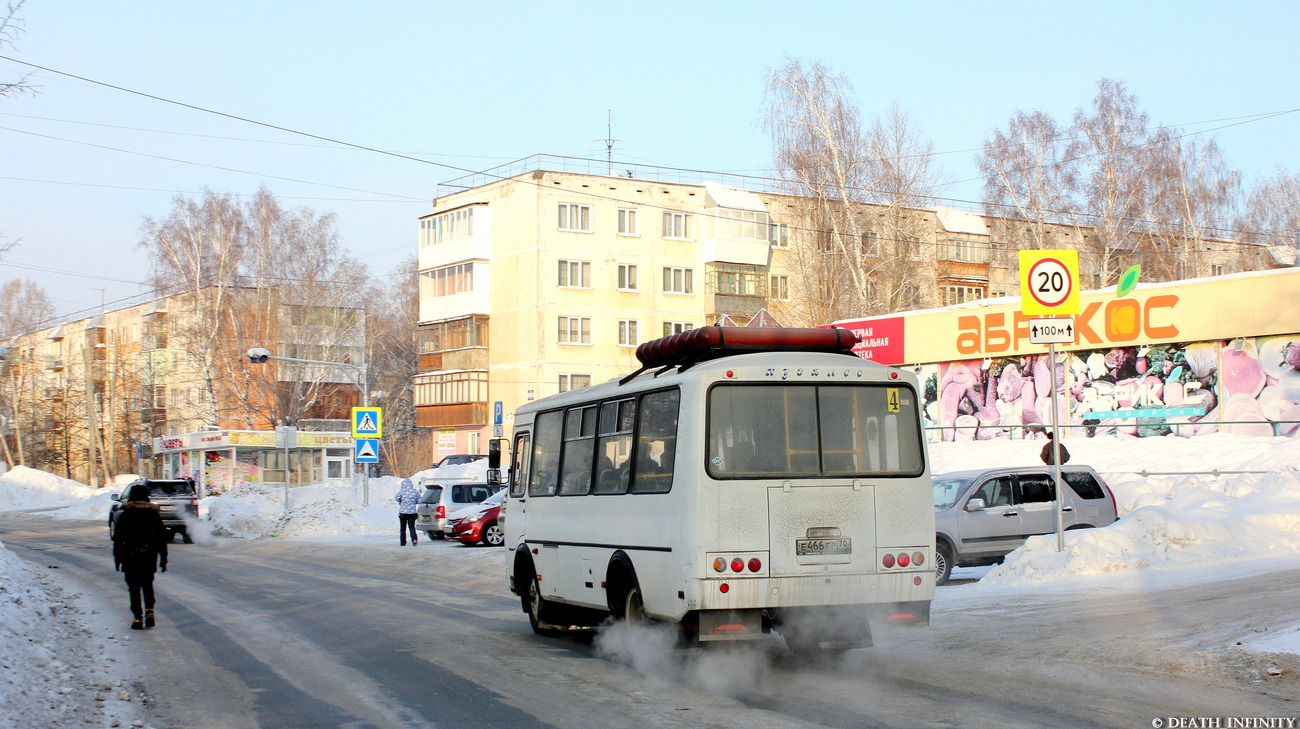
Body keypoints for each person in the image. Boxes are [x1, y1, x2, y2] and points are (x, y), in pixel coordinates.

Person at [112, 483, 169, 631]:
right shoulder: (153, 515)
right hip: (149, 554)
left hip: (130, 555)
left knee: (134, 587)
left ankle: (137, 618)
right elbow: (162, 537)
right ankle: (149, 610)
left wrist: (117, 558)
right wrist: (163, 558)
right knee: (147, 584)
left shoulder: (125, 515)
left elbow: (118, 539)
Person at [396, 478, 420, 546]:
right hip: (412, 513)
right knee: (412, 527)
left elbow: (397, 498)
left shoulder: (402, 491)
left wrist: (402, 500)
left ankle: (403, 542)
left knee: (403, 528)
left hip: (403, 512)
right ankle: (414, 539)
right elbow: (419, 500)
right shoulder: (415, 491)